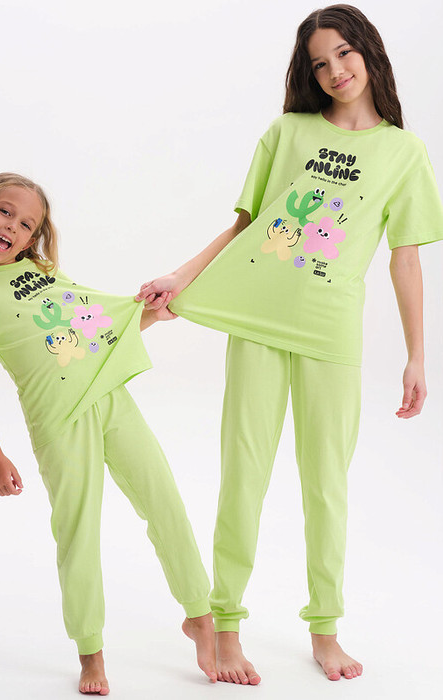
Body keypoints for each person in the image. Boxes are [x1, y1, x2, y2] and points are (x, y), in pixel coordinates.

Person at [135, 3, 443, 685]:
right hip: (258, 323)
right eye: (319, 63)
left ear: (368, 51)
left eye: (343, 54)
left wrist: (417, 355)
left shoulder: (404, 152)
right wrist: (182, 277)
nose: (334, 71)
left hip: (330, 333)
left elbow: (405, 258)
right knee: (243, 474)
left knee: (326, 485)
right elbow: (246, 225)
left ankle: (325, 629)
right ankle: (223, 625)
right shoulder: (287, 132)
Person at [0, 173, 217, 695]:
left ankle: (201, 618)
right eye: (5, 213)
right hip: (58, 421)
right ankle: (91, 653)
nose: (14, 228)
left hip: (110, 396)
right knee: (78, 533)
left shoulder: (42, 270)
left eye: (27, 225)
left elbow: (90, 328)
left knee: (164, 501)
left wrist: (150, 313)